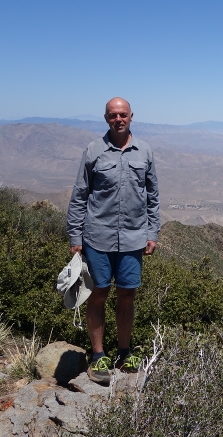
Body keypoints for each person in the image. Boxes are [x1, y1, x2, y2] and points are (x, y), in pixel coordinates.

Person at [66, 97, 160, 384]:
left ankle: (124, 351)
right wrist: (75, 235)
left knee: (127, 294)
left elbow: (153, 195)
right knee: (99, 294)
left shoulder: (144, 151)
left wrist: (152, 232)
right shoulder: (93, 151)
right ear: (105, 118)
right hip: (98, 237)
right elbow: (80, 194)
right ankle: (98, 355)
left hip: (133, 238)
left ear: (131, 116)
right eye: (112, 116)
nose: (118, 119)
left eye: (122, 115)